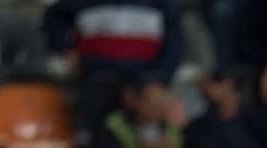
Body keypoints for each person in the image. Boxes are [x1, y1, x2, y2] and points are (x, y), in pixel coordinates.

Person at [43, 0, 184, 140]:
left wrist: (155, 79)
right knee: (98, 143)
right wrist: (65, 49)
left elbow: (174, 42)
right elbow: (55, 16)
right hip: (96, 82)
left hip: (144, 89)